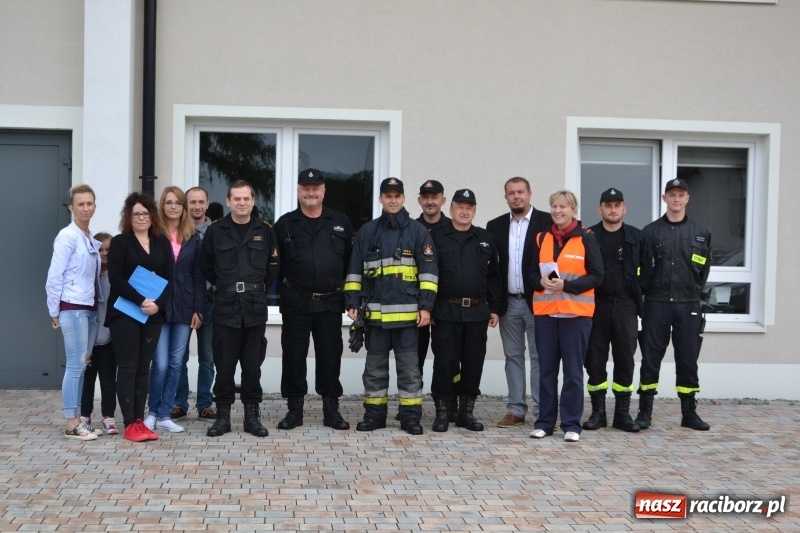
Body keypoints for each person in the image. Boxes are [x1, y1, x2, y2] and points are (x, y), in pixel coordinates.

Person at [344, 177, 438, 435]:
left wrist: (426, 308)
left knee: (409, 372)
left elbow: (429, 273)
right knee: (374, 371)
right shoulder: (368, 232)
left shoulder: (418, 232)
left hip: (408, 319)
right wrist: (352, 302)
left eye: (397, 195)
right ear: (381, 199)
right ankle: (374, 416)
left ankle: (410, 418)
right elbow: (354, 271)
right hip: (375, 318)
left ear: (404, 198)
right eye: (388, 195)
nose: (393, 200)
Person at [273, 169, 354, 431]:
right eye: (305, 188)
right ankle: (294, 411)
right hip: (296, 300)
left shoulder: (340, 221)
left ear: (323, 191)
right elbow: (275, 266)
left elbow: (350, 265)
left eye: (315, 188)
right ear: (298, 191)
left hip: (330, 302)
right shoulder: (284, 224)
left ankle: (331, 410)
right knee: (294, 357)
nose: (311, 192)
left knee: (330, 356)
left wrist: (351, 298)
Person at [200, 180, 280, 438]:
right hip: (225, 305)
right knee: (223, 365)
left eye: (246, 198)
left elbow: (274, 266)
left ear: (253, 201)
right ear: (228, 201)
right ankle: (222, 417)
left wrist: (256, 287)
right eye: (237, 198)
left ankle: (251, 417)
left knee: (252, 365)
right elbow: (206, 265)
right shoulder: (216, 230)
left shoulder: (265, 230)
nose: (242, 203)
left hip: (254, 306)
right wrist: (227, 285)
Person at [636, 178, 712, 431]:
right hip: (656, 303)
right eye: (672, 194)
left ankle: (689, 413)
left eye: (681, 195)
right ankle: (644, 413)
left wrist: (691, 293)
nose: (676, 199)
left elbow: (703, 273)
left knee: (688, 360)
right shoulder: (649, 232)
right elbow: (642, 271)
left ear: (687, 198)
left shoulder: (701, 233)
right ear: (664, 198)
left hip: (688, 304)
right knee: (650, 359)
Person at [529, 190, 603, 443]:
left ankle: (571, 425)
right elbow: (529, 272)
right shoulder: (541, 237)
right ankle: (545, 423)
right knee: (546, 371)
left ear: (573, 209)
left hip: (576, 315)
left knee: (573, 373)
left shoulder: (586, 238)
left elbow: (597, 276)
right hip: (546, 315)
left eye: (563, 206)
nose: (557, 211)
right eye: (554, 206)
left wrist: (567, 287)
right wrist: (538, 281)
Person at [429, 189, 502, 432]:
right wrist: (426, 307)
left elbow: (494, 277)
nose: (464, 211)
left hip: (477, 312)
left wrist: (495, 308)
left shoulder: (485, 238)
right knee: (445, 363)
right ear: (450, 210)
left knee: (473, 363)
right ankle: (441, 412)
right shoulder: (436, 237)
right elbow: (427, 275)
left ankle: (465, 413)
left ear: (474, 211)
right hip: (445, 311)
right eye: (459, 206)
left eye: (469, 207)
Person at [107, 192, 173, 442]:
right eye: (136, 214)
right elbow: (116, 279)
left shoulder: (161, 242)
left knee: (143, 368)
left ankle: (139, 420)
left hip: (153, 315)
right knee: (127, 367)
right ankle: (129, 424)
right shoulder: (120, 242)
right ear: (128, 216)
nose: (141, 217)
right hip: (125, 313)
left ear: (152, 215)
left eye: (145, 213)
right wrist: (141, 300)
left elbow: (170, 279)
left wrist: (158, 304)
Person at [486, 177, 551, 428]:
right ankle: (515, 409)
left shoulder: (546, 222)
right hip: (509, 302)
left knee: (539, 357)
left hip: (538, 301)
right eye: (511, 193)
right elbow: (493, 269)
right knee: (513, 356)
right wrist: (494, 305)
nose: (516, 196)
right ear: (506, 197)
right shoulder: (495, 226)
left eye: (520, 192)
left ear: (530, 194)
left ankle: (541, 410)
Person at [582, 188, 643, 433]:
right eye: (608, 205)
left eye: (617, 205)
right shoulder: (589, 236)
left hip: (626, 304)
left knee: (625, 359)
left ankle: (622, 414)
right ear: (600, 209)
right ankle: (598, 413)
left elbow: (647, 272)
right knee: (594, 358)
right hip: (596, 304)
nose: (613, 210)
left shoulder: (637, 237)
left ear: (624, 208)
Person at [144, 187, 205, 433]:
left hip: (184, 307)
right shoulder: (153, 235)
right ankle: (152, 411)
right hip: (158, 307)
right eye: (168, 202)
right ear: (162, 206)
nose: (173, 207)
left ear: (183, 207)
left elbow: (199, 276)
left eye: (178, 203)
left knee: (176, 362)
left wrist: (198, 309)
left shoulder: (193, 237)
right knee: (159, 363)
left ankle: (165, 412)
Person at [46, 184, 103, 441]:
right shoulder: (66, 236)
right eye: (80, 204)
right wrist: (54, 310)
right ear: (72, 208)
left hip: (89, 308)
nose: (86, 208)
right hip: (72, 307)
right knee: (75, 365)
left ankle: (79, 420)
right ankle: (72, 423)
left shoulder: (89, 238)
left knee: (83, 364)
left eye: (89, 203)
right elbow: (54, 276)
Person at [172, 186, 217, 422]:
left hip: (209, 302)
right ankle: (179, 403)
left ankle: (204, 404)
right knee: (179, 356)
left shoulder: (217, 231)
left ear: (207, 204)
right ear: (185, 205)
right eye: (192, 202)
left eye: (201, 202)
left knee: (207, 357)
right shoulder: (177, 231)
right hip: (182, 303)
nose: (196, 206)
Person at [79, 232, 119, 435]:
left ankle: (108, 416)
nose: (104, 253)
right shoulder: (88, 275)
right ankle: (84, 415)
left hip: (109, 337)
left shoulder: (116, 277)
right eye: (100, 249)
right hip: (88, 339)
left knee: (108, 379)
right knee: (87, 380)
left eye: (108, 250)